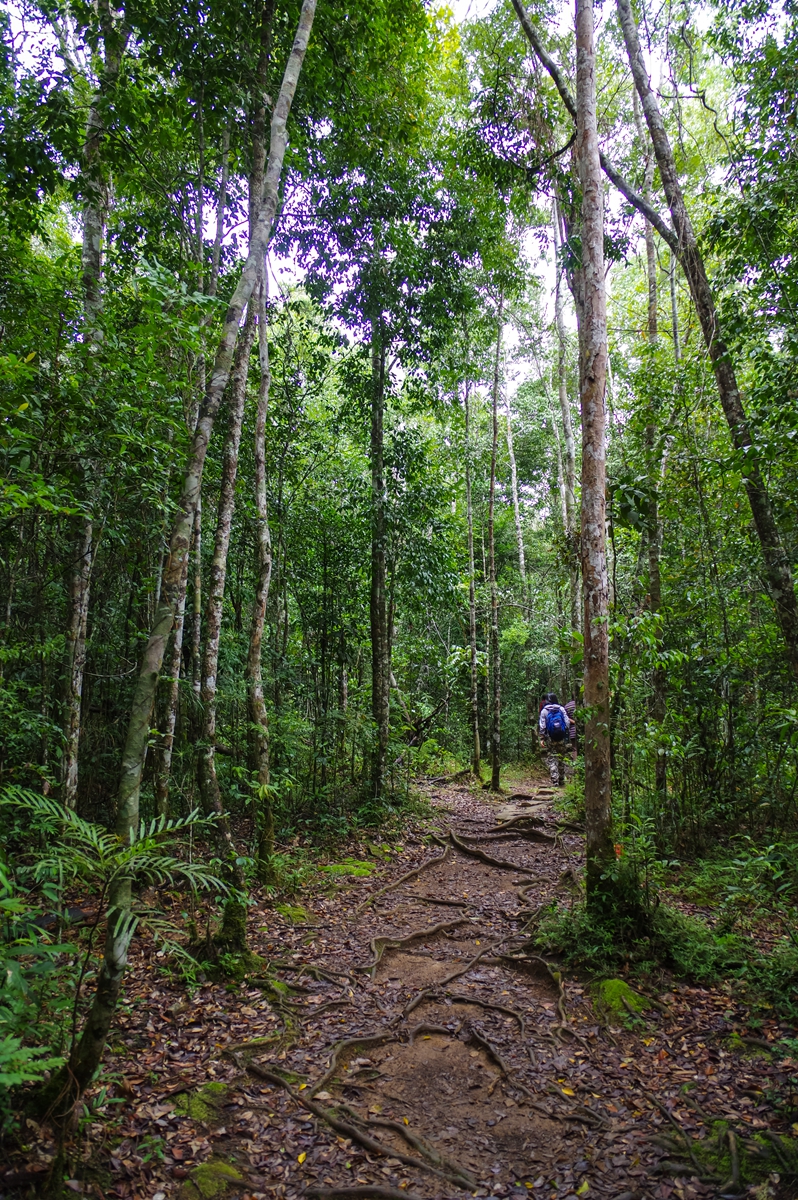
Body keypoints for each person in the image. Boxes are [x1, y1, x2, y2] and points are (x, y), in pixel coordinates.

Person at [539, 692, 571, 787]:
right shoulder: (561, 708)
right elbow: (567, 722)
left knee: (551, 757)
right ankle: (561, 779)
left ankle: (555, 780)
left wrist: (542, 738)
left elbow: (542, 726)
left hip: (550, 737)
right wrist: (565, 733)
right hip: (561, 736)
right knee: (561, 757)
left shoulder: (544, 711)